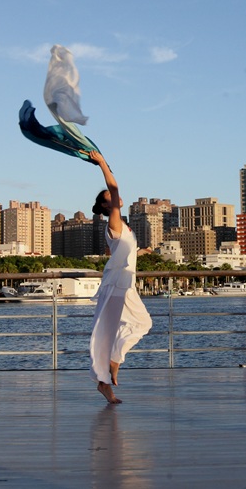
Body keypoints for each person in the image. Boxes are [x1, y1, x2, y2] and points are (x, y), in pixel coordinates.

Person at [87, 150, 153, 404]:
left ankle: (105, 382)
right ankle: (114, 361)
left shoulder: (120, 226)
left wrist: (142, 252)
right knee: (142, 323)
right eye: (110, 198)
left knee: (113, 330)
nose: (115, 197)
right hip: (119, 283)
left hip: (121, 282)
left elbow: (120, 252)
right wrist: (102, 164)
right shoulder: (114, 220)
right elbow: (114, 187)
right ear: (107, 206)